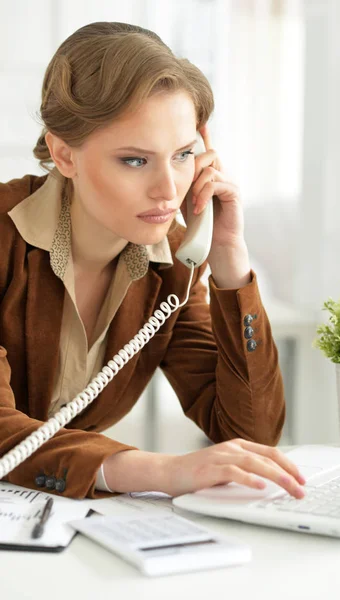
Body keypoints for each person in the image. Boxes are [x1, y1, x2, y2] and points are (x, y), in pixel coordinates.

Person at [0, 21, 306, 500]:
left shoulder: (177, 267)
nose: (168, 190)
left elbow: (250, 433)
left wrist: (229, 260)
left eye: (183, 154)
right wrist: (159, 471)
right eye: (135, 160)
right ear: (64, 154)